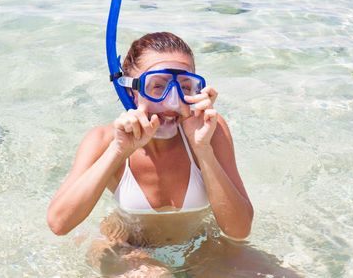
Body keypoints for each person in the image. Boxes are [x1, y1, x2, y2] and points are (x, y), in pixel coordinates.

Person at [47, 31, 254, 276]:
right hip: (123, 247)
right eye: (158, 87)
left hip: (197, 245)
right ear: (131, 91)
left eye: (185, 87)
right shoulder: (104, 140)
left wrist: (202, 149)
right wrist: (119, 150)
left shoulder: (210, 130)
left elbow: (239, 230)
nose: (172, 102)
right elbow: (59, 223)